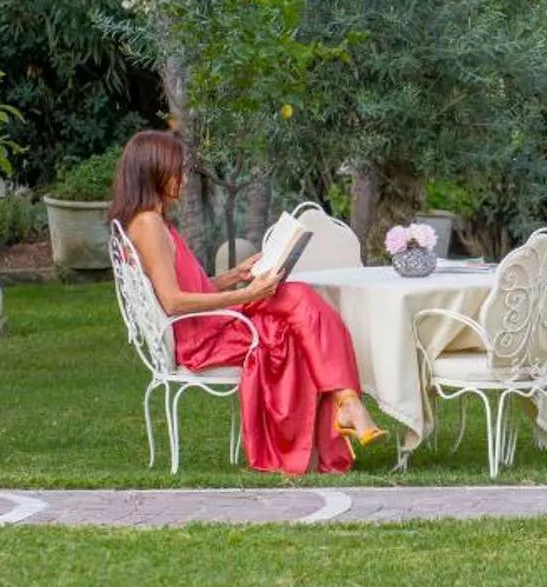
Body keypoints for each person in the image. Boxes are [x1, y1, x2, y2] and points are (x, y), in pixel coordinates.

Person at [109, 129, 383, 473]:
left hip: (210, 325)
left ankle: (345, 405)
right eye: (175, 169)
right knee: (295, 309)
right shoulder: (148, 225)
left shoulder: (151, 221)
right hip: (201, 340)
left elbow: (189, 286)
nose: (183, 178)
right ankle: (344, 406)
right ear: (151, 170)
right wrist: (247, 294)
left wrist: (233, 276)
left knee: (296, 303)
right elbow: (174, 302)